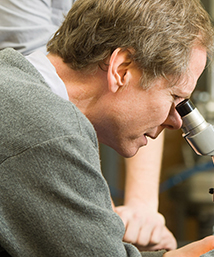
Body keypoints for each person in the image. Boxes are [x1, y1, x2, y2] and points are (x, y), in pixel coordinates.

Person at [0, 0, 214, 256]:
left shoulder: (19, 90)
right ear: (122, 69)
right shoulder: (49, 132)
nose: (177, 121)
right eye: (175, 97)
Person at [0, 0, 176, 251]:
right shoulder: (46, 122)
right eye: (176, 99)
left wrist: (142, 207)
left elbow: (146, 80)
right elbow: (42, 102)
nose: (177, 122)